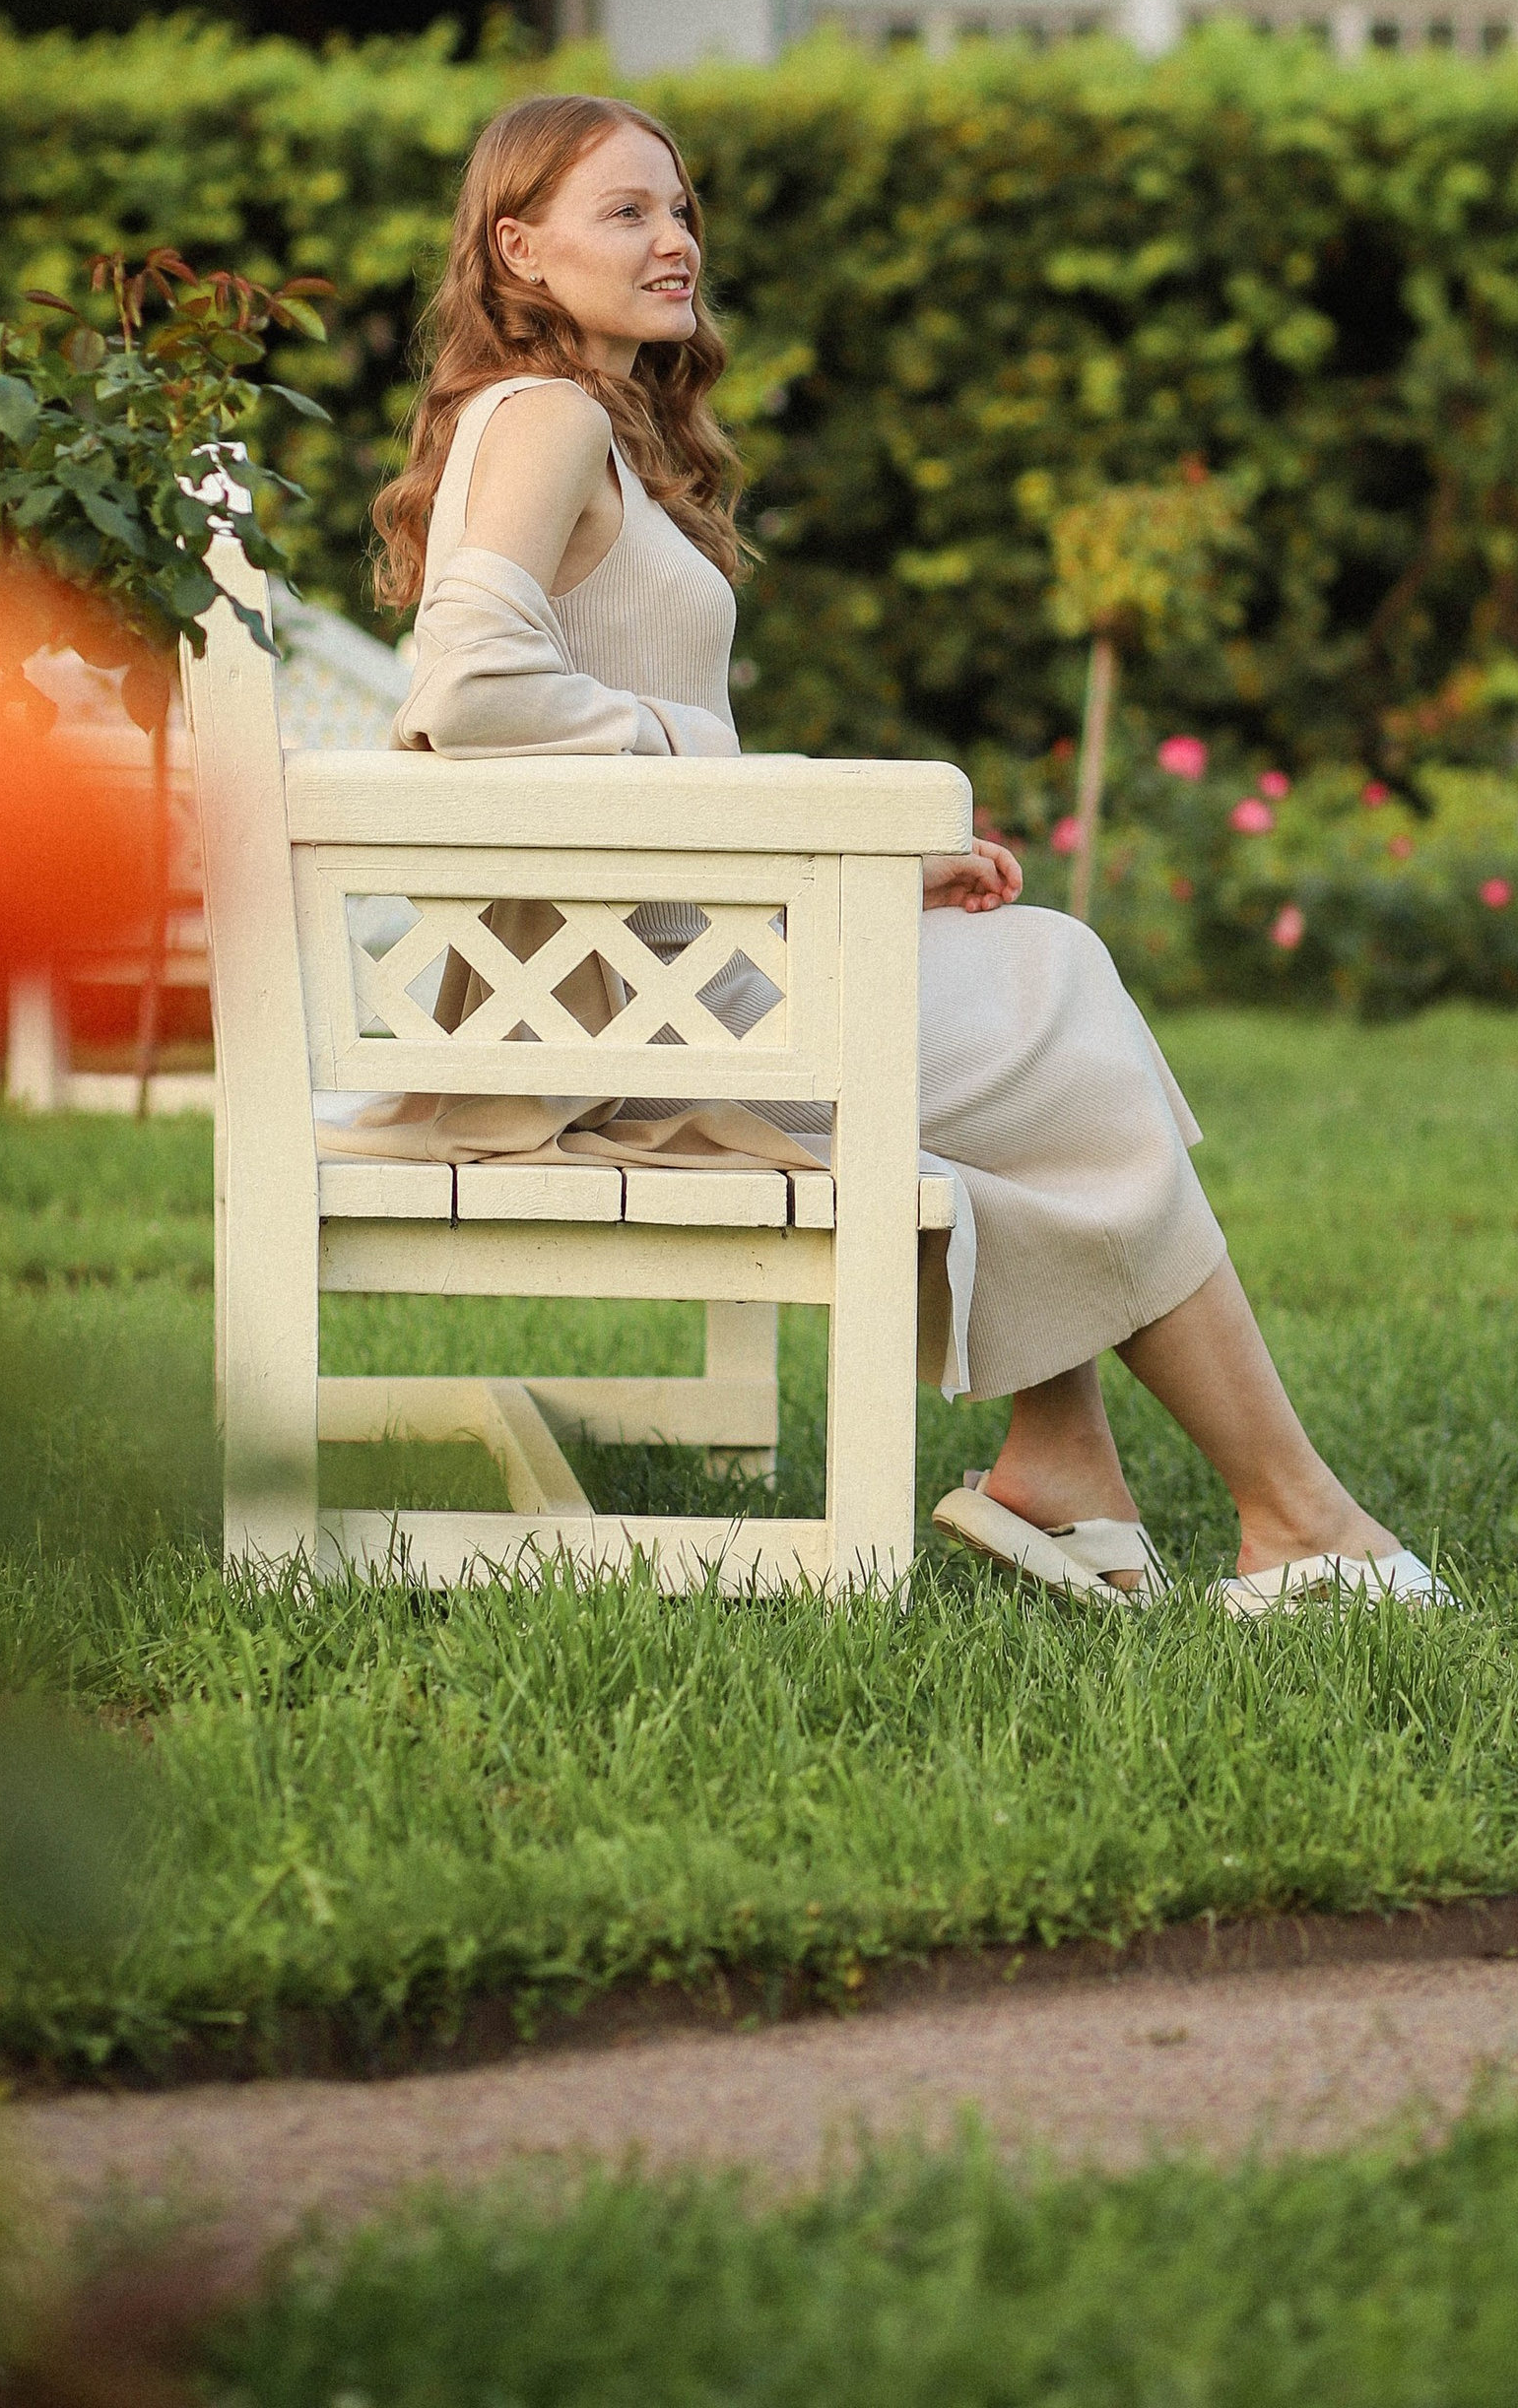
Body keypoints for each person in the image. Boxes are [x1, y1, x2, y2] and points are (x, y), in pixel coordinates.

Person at [368, 92, 1447, 1616]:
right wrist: (801, 803)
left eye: (680, 211)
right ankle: (1286, 1517)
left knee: (1043, 979)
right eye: (627, 214)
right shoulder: (540, 418)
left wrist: (857, 863)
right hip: (613, 1020)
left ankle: (1075, 1464)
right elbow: (469, 683)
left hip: (643, 978)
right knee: (1061, 1011)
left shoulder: (582, 426)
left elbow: (593, 736)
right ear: (518, 248)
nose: (675, 241)